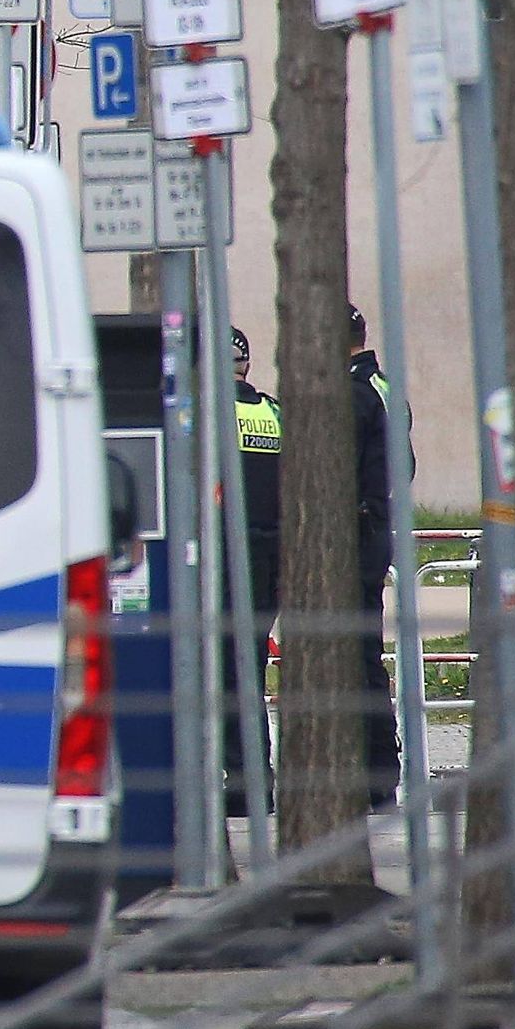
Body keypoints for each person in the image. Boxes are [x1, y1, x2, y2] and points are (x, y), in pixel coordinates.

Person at [227, 325, 285, 811]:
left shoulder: (210, 416)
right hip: (272, 558)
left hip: (230, 557)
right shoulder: (272, 413)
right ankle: (257, 780)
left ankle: (241, 785)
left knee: (227, 672)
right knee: (251, 667)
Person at [350, 306, 404, 804]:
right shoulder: (387, 386)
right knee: (367, 652)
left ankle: (375, 773)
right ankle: (383, 768)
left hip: (356, 531)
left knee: (355, 656)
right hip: (379, 525)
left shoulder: (352, 393)